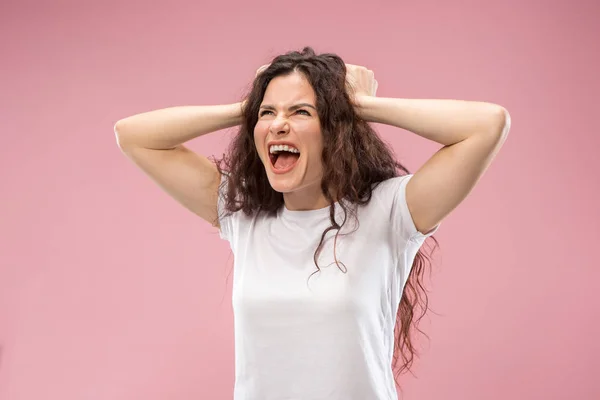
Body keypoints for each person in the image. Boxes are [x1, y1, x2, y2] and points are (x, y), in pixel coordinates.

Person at [114, 47, 510, 400]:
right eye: (268, 113)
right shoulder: (243, 215)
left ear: (336, 130)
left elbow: (487, 125)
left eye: (301, 112)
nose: (278, 124)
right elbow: (133, 135)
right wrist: (249, 107)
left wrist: (356, 104)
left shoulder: (391, 212)